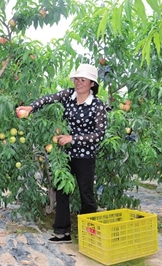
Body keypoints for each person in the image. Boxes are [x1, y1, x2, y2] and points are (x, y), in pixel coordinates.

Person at [16, 64, 107, 243]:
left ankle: (90, 234)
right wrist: (31, 108)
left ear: (92, 84)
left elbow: (99, 134)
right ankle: (62, 232)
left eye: (83, 80)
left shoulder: (97, 105)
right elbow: (49, 99)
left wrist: (73, 138)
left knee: (86, 194)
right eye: (76, 79)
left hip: (85, 156)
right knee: (61, 191)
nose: (78, 82)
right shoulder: (68, 95)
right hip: (64, 155)